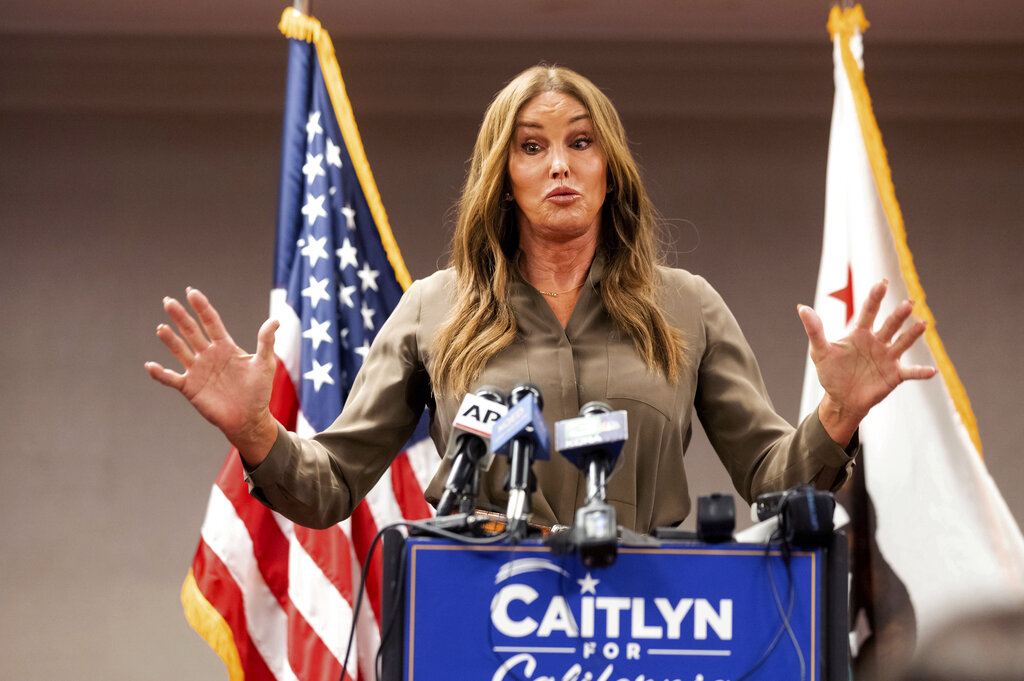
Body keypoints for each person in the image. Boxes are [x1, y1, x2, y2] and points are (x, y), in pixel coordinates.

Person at [145, 65, 935, 534]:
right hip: (484, 622)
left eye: (581, 142)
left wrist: (837, 417)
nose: (560, 164)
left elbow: (771, 478)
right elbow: (329, 481)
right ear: (506, 174)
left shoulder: (687, 307)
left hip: (651, 630)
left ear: (609, 167)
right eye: (533, 146)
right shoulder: (432, 309)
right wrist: (255, 429)